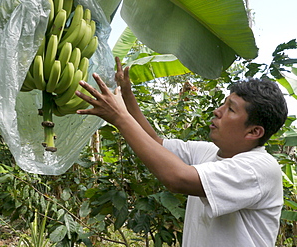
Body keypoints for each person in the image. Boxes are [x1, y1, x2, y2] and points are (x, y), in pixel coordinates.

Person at [75, 57, 288, 247]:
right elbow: (154, 142)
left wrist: (120, 118)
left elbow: (178, 178)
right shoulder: (209, 153)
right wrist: (126, 94)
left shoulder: (260, 168)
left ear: (254, 131)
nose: (218, 111)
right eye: (223, 104)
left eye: (230, 109)